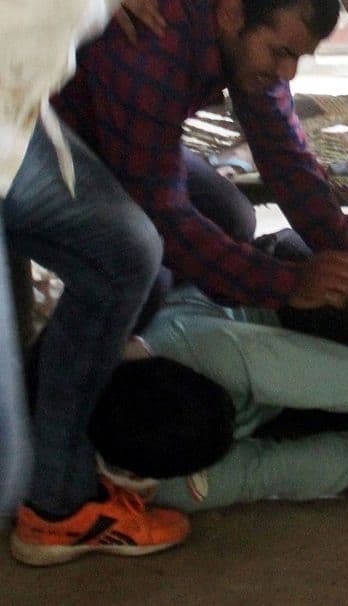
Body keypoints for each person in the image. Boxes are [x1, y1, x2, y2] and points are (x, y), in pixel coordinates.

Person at [52, 0, 348, 377]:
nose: (288, 72)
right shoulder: (154, 43)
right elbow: (165, 215)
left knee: (232, 217)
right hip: (53, 142)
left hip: (125, 129)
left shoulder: (242, 37)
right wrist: (289, 284)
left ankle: (188, 319)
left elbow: (288, 161)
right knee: (143, 266)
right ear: (232, 13)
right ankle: (57, 394)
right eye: (281, 52)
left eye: (298, 57)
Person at [1, 0, 191, 567]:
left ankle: (56, 489)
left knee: (129, 251)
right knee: (8, 469)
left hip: (14, 110)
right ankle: (54, 499)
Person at [84, 284, 348, 511]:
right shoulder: (168, 486)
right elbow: (280, 471)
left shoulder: (209, 350)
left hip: (276, 303)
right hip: (270, 405)